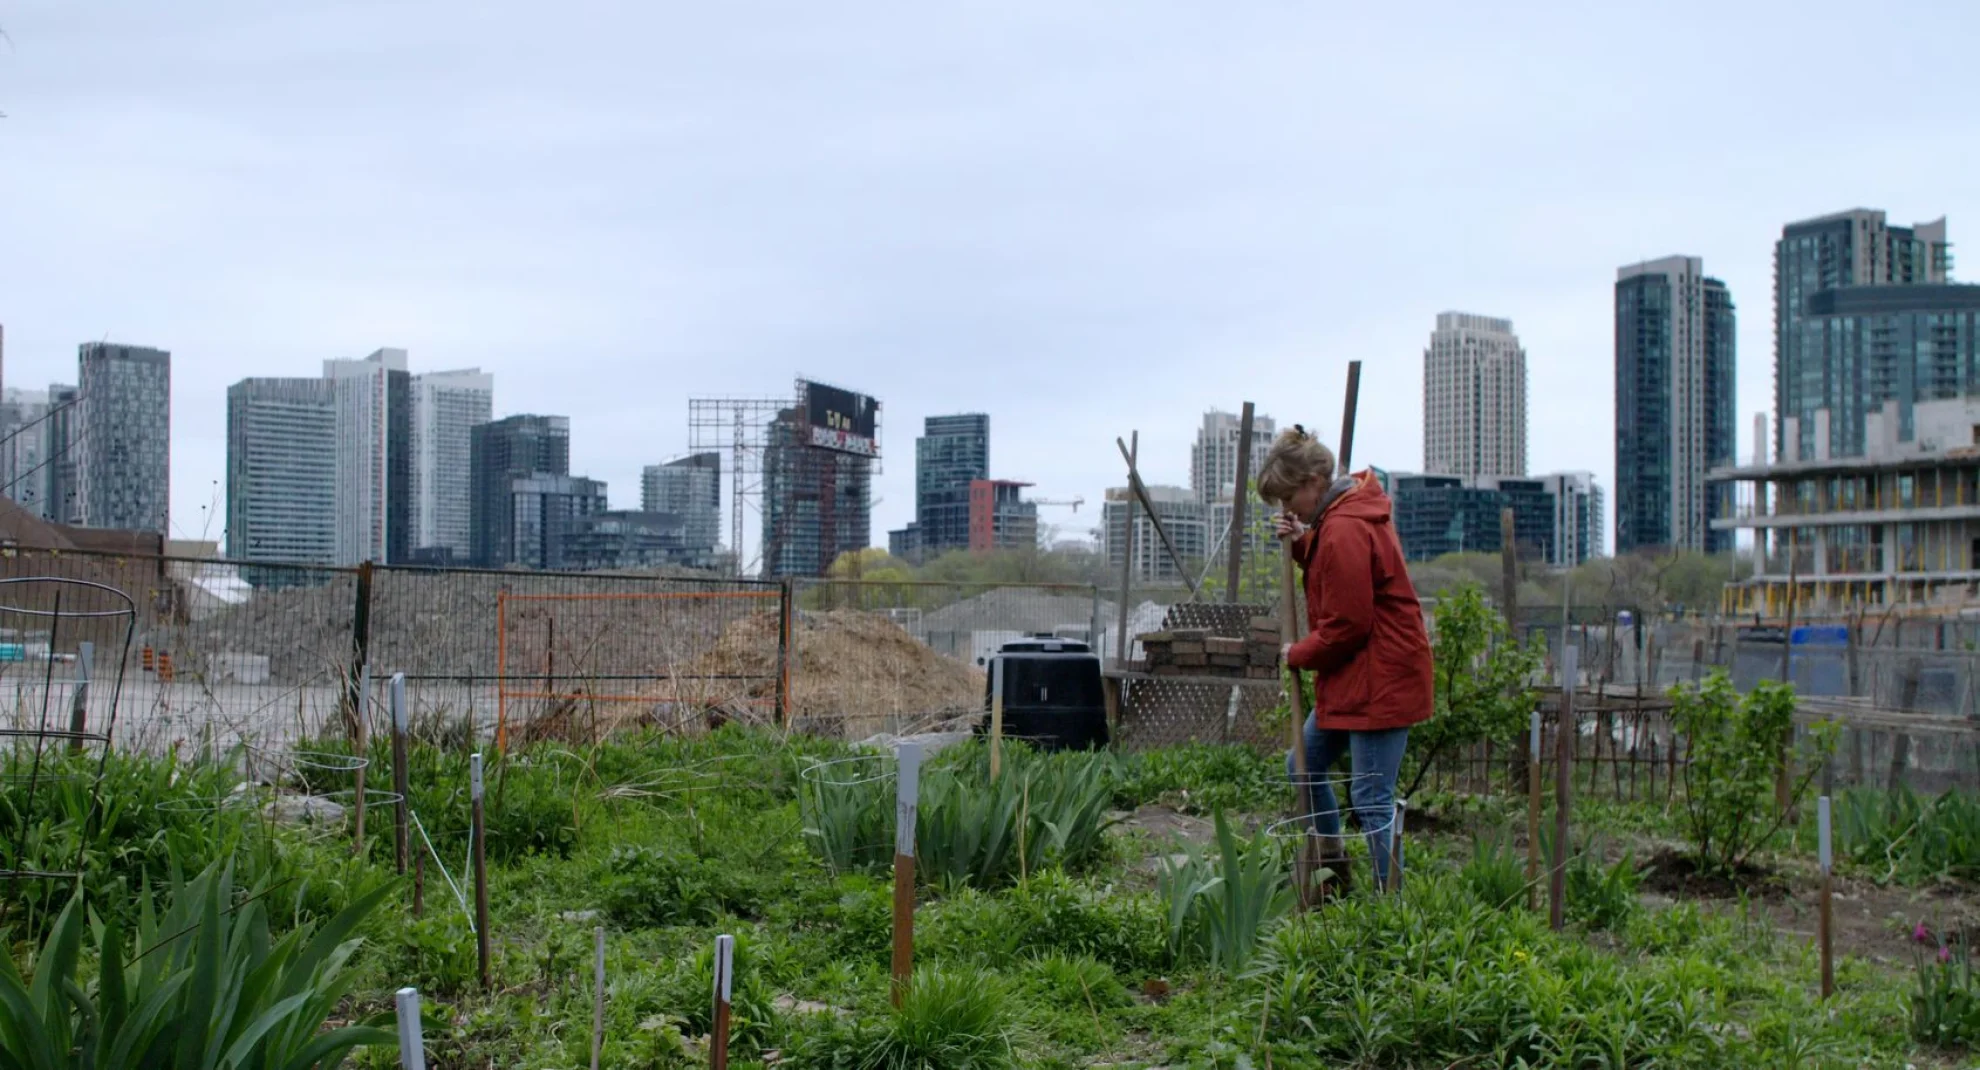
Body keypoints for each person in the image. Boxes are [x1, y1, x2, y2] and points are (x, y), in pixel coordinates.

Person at [1256, 425, 1433, 891]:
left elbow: (1349, 625)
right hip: (1356, 677)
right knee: (1303, 766)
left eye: (1289, 498)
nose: (1287, 509)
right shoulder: (1339, 520)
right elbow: (1337, 571)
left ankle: (1388, 905)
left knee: (1371, 796)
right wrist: (1301, 541)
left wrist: (1298, 653)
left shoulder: (1345, 528)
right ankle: (1332, 867)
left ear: (1314, 482)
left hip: (1381, 678)